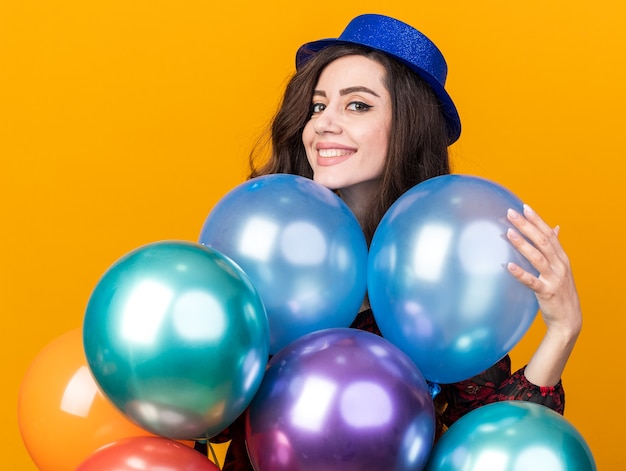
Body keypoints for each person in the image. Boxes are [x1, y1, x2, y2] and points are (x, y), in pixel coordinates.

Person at [206, 13, 582, 470]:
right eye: (319, 105)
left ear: (408, 126)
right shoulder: (263, 242)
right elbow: (208, 417)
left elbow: (491, 446)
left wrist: (561, 332)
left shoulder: (445, 264)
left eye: (357, 105)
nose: (323, 124)